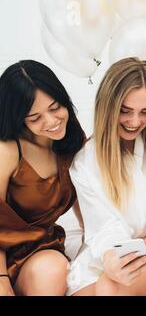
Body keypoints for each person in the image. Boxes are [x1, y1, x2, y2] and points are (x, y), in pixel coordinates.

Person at [67, 58, 146, 296]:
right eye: (125, 111)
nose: (135, 122)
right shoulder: (86, 161)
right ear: (108, 107)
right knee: (106, 286)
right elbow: (102, 227)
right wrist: (111, 257)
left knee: (113, 290)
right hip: (105, 256)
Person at [0, 60, 85, 296]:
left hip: (45, 247)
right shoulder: (7, 150)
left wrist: (94, 242)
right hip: (7, 256)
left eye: (56, 107)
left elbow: (83, 198)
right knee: (52, 270)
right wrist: (1, 279)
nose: (51, 121)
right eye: (35, 118)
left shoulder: (70, 139)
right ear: (19, 118)